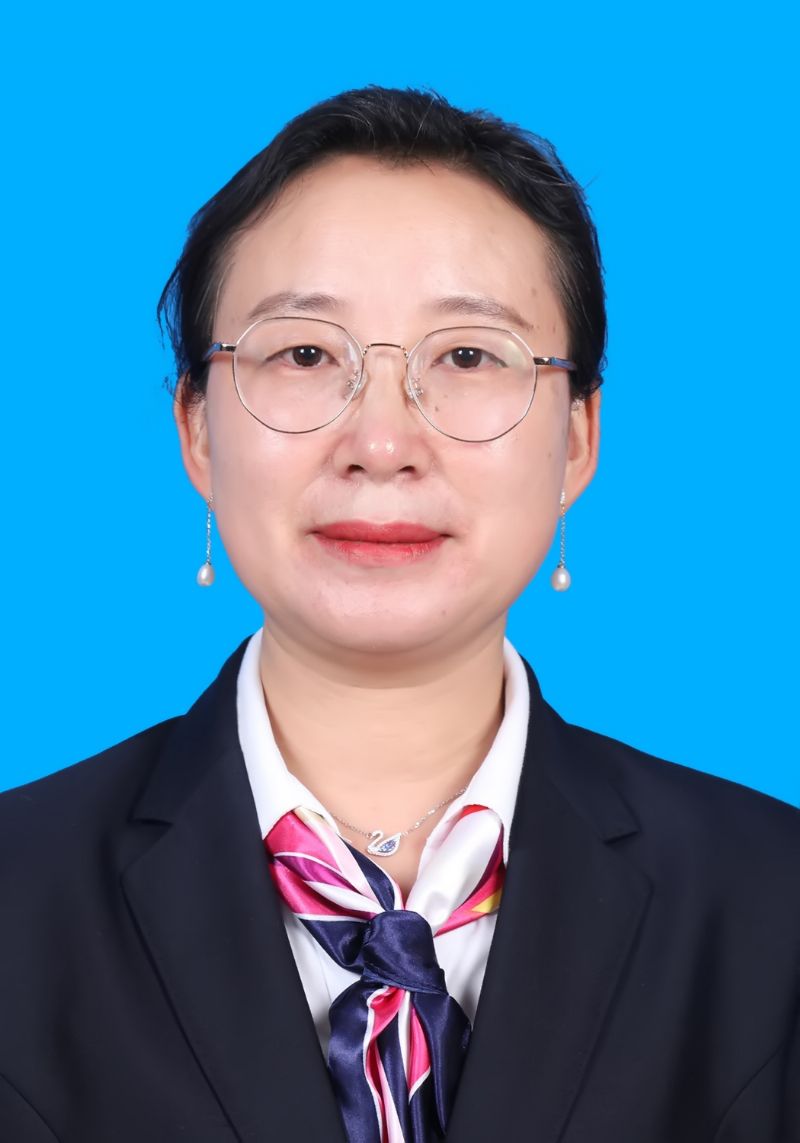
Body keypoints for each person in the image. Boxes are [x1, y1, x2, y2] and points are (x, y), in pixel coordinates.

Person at [0, 86, 798, 1143]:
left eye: (467, 356)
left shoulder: (772, 907)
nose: (381, 443)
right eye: (303, 355)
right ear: (195, 429)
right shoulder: (16, 900)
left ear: (575, 439)